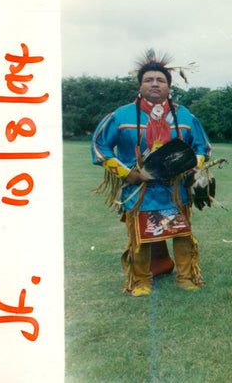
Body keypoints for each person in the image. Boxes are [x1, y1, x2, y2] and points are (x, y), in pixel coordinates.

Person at [92, 50, 211, 296]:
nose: (154, 84)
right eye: (148, 80)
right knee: (140, 236)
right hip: (139, 189)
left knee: (182, 234)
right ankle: (141, 281)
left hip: (176, 190)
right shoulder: (122, 116)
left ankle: (187, 277)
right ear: (140, 85)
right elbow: (100, 146)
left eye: (160, 80)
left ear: (169, 86)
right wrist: (127, 174)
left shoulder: (185, 116)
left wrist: (193, 165)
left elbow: (203, 146)